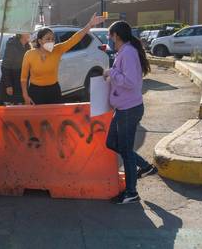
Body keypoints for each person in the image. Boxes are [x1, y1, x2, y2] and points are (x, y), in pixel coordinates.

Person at [104, 21, 158, 205]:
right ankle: (145, 166)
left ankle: (131, 192)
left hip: (128, 109)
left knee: (126, 152)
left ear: (116, 36)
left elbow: (131, 82)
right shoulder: (124, 51)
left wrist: (111, 73)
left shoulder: (128, 53)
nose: (109, 39)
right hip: (123, 108)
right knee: (111, 142)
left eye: (109, 36)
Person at [20, 13, 105, 105]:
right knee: (37, 119)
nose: (51, 41)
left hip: (53, 91)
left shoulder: (58, 49)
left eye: (52, 39)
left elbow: (74, 39)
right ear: (40, 41)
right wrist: (25, 95)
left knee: (54, 118)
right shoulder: (29, 54)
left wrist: (90, 25)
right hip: (35, 92)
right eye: (47, 39)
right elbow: (23, 78)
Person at [0, 33, 31, 104]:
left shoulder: (28, 46)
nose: (30, 32)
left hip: (22, 84)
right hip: (12, 85)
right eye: (27, 30)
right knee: (12, 111)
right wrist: (8, 85)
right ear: (21, 33)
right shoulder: (12, 45)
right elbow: (5, 67)